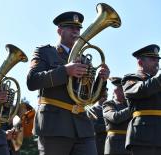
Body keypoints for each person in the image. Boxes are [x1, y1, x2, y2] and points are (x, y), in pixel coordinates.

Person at [27, 11, 110, 155]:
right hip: (54, 125)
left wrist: (101, 81)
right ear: (60, 31)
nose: (76, 31)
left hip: (82, 126)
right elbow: (32, 81)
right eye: (71, 27)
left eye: (78, 28)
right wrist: (65, 71)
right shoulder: (44, 52)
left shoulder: (85, 59)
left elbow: (88, 98)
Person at [122, 44, 161, 155]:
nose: (157, 62)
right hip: (143, 137)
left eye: (158, 60)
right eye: (153, 59)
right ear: (140, 62)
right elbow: (142, 90)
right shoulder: (130, 79)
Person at [103, 77, 131, 155]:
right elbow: (115, 118)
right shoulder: (108, 104)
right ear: (115, 91)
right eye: (121, 89)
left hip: (129, 143)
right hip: (115, 145)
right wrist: (132, 107)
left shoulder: (128, 104)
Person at [88, 88, 108, 155]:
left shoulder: (109, 108)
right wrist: (110, 127)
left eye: (106, 96)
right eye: (103, 96)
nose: (106, 98)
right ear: (98, 97)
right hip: (99, 143)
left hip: (109, 142)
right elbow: (94, 127)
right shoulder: (93, 110)